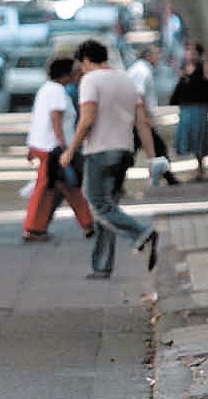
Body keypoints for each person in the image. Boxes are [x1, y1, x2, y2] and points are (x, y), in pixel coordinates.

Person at [60, 39, 160, 279]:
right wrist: (151, 157)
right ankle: (102, 265)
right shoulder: (126, 79)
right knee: (108, 207)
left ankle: (141, 233)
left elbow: (87, 119)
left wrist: (71, 150)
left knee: (97, 203)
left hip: (99, 151)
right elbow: (142, 122)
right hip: (125, 151)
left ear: (85, 60)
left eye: (80, 66)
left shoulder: (90, 81)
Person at [22, 57, 94, 242]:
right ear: (66, 74)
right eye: (75, 71)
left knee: (67, 187)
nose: (78, 74)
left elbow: (39, 119)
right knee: (48, 189)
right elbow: (55, 119)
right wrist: (64, 148)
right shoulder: (57, 92)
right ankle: (32, 228)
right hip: (53, 149)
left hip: (46, 146)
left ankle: (87, 224)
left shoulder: (47, 89)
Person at [170, 41, 208, 181]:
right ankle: (197, 167)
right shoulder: (185, 68)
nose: (190, 54)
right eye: (188, 51)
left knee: (200, 138)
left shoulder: (205, 68)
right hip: (186, 108)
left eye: (193, 52)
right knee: (189, 138)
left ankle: (201, 169)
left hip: (199, 108)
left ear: (199, 54)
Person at [128, 45, 178, 186]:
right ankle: (167, 177)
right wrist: (145, 117)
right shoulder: (142, 70)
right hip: (139, 118)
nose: (159, 58)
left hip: (137, 117)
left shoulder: (141, 69)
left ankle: (166, 176)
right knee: (158, 147)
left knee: (150, 148)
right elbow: (139, 95)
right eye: (156, 54)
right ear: (148, 56)